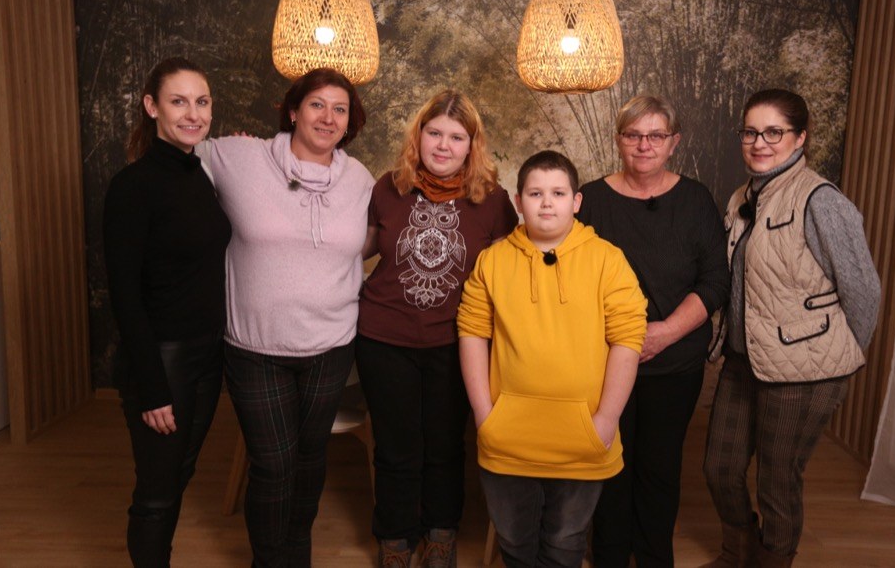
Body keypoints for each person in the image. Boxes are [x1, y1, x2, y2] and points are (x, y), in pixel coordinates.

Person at [196, 67, 375, 566]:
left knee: (310, 458)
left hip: (331, 346)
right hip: (255, 347)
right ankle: (270, 560)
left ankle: (298, 553)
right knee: (274, 465)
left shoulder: (360, 180)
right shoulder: (238, 157)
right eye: (317, 104)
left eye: (339, 109)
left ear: (349, 122)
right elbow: (173, 159)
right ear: (293, 111)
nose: (328, 117)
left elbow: (364, 243)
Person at [702, 89, 881, 568]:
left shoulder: (821, 200)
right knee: (719, 467)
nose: (760, 143)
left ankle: (772, 562)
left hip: (806, 369)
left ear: (800, 138)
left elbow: (863, 290)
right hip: (744, 360)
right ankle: (736, 556)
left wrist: (838, 357)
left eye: (773, 132)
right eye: (750, 132)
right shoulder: (743, 196)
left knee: (777, 479)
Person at [458, 150, 647, 568]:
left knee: (565, 543)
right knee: (514, 541)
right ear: (518, 201)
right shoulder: (493, 261)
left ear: (576, 202)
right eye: (535, 193)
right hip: (507, 436)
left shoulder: (608, 260)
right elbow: (471, 332)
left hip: (583, 437)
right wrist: (484, 414)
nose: (547, 203)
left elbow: (628, 339)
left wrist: (607, 419)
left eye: (558, 193)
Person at [357, 89, 518, 567]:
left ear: (472, 145)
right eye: (434, 133)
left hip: (457, 343)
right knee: (395, 447)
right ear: (419, 136)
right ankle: (395, 538)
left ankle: (441, 533)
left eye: (456, 137)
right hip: (384, 337)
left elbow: (512, 271)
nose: (443, 145)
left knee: (446, 445)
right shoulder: (388, 188)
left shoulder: (494, 200)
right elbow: (352, 250)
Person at [579, 95, 729, 567]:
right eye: (633, 135)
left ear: (673, 142)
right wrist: (620, 340)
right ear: (618, 140)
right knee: (607, 464)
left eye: (655, 136)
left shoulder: (696, 200)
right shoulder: (590, 200)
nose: (644, 145)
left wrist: (665, 332)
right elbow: (570, 278)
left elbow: (715, 280)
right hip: (604, 362)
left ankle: (653, 558)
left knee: (659, 469)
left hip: (675, 361)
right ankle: (608, 557)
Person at [103, 57, 231, 567]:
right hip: (163, 361)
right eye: (179, 102)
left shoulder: (199, 174)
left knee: (178, 475)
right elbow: (124, 295)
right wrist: (153, 387)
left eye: (202, 102)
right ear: (152, 106)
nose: (193, 114)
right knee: (156, 492)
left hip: (207, 355)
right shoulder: (133, 187)